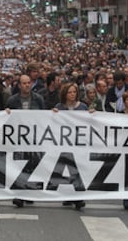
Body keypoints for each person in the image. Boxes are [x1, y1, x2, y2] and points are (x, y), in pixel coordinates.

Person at [6, 74, 45, 208]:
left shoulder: (38, 99)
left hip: (33, 138)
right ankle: (19, 195)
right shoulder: (12, 100)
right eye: (24, 83)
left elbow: (43, 117)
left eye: (29, 83)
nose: (27, 85)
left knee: (31, 165)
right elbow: (8, 120)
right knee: (18, 166)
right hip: (18, 138)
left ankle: (29, 193)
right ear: (19, 85)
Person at [53, 82, 88, 210]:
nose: (72, 94)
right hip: (64, 144)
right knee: (66, 170)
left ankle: (77, 197)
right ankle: (70, 196)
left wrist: (93, 114)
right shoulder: (59, 107)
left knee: (76, 169)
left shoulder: (83, 107)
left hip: (79, 143)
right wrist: (53, 114)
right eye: (70, 92)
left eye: (74, 92)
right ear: (65, 94)